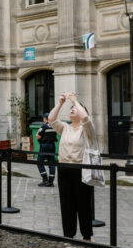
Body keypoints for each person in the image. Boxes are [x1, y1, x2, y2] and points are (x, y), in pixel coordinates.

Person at [48, 92, 95, 242]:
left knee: (83, 204)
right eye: (70, 108)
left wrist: (75, 101)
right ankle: (69, 235)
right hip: (63, 169)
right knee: (66, 204)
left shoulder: (87, 128)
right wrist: (61, 102)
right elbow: (51, 118)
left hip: (81, 170)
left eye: (75, 108)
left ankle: (86, 236)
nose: (72, 109)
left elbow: (86, 118)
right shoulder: (65, 128)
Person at [36, 112, 57, 187]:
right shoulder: (54, 126)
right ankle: (51, 181)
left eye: (43, 118)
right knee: (51, 164)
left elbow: (38, 136)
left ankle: (45, 179)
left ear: (45, 119)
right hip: (52, 146)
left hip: (44, 146)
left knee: (39, 162)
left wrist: (38, 131)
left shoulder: (44, 126)